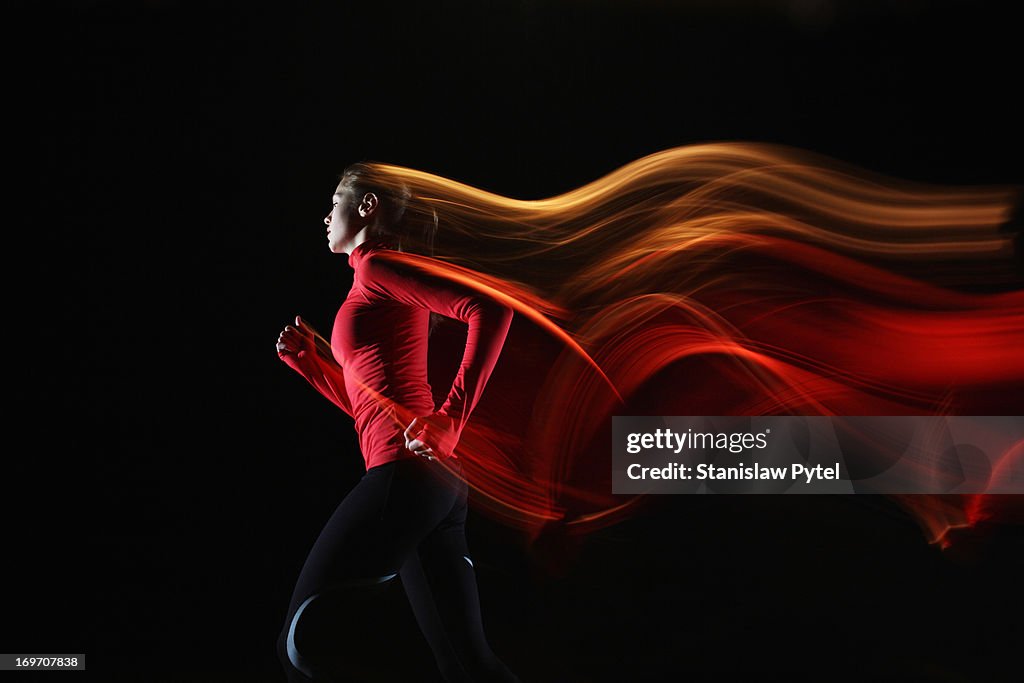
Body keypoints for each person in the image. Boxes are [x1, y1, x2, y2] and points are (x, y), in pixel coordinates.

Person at [275, 163, 521, 682]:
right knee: (467, 666)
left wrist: (451, 417)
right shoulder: (373, 279)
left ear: (367, 207)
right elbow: (374, 409)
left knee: (302, 645)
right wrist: (313, 368)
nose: (324, 217)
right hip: (431, 481)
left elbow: (492, 309)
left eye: (334, 202)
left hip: (407, 476)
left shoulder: (378, 267)